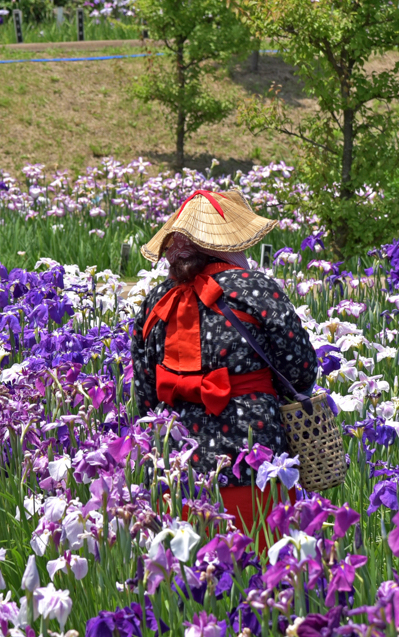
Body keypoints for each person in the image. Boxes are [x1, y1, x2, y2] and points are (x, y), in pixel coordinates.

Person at [130, 189, 318, 539]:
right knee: (262, 577)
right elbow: (301, 373)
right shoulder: (257, 289)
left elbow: (143, 397)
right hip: (253, 462)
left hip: (176, 469)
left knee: (188, 581)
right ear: (225, 244)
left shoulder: (155, 301)